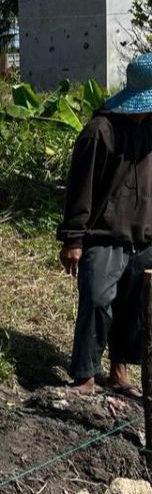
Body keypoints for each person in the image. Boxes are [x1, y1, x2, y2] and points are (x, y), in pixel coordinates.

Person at [57, 52, 152, 395]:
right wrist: (73, 240)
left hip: (143, 237)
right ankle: (84, 375)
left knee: (135, 309)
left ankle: (119, 371)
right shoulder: (100, 132)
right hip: (103, 236)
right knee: (97, 301)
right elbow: (79, 190)